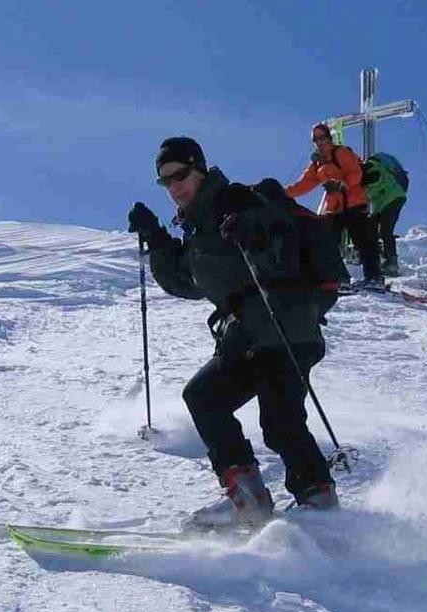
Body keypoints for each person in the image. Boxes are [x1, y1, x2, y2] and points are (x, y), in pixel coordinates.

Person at [127, 136, 339, 530]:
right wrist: (157, 240)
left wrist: (256, 233)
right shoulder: (198, 227)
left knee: (280, 421)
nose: (174, 187)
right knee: (204, 396)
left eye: (179, 175)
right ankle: (249, 500)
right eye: (165, 181)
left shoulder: (239, 200)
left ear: (200, 168)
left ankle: (320, 506)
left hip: (285, 326)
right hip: (247, 336)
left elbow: (281, 249)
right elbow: (188, 283)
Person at [287, 123, 382, 290]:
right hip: (334, 208)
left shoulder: (341, 153)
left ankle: (374, 278)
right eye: (315, 139)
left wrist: (341, 185)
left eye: (321, 138)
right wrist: (280, 193)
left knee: (363, 241)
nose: (319, 142)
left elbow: (356, 173)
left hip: (354, 203)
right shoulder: (317, 164)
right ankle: (340, 278)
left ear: (329, 138)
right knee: (328, 243)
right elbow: (303, 185)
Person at [361, 151, 410, 276]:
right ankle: (378, 258)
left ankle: (391, 262)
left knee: (385, 229)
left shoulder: (370, 167)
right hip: (383, 203)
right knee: (369, 228)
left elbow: (375, 179)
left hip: (393, 198)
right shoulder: (366, 171)